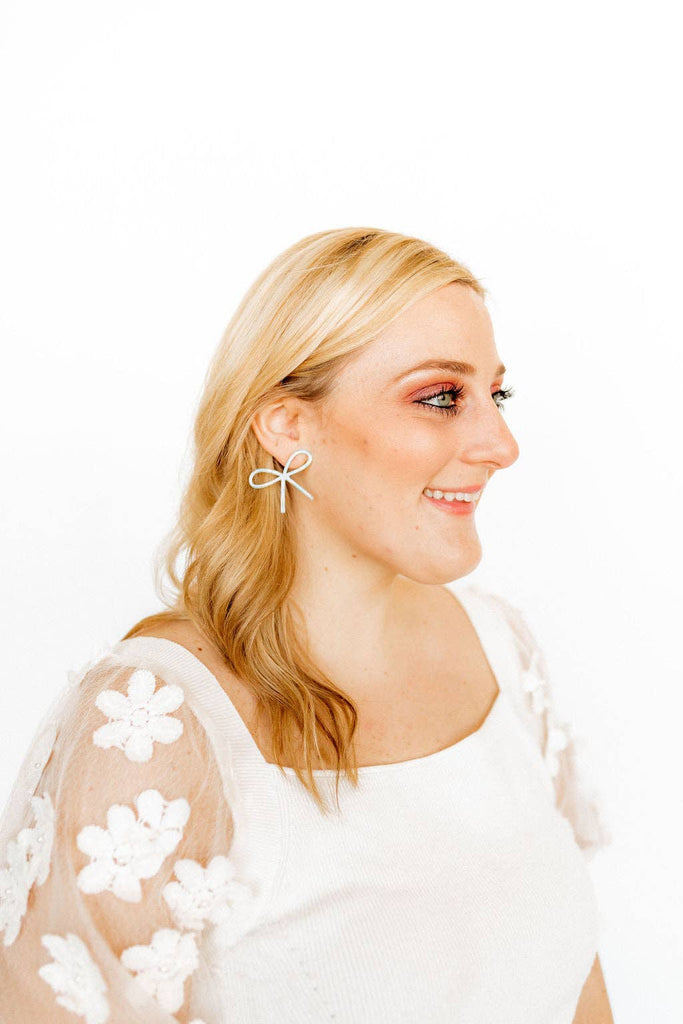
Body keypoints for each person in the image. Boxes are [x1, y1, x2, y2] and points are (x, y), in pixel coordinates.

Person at [0, 227, 613, 1023]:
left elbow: (576, 981)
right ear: (287, 425)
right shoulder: (158, 721)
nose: (500, 444)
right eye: (439, 397)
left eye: (496, 396)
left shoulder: (499, 649)